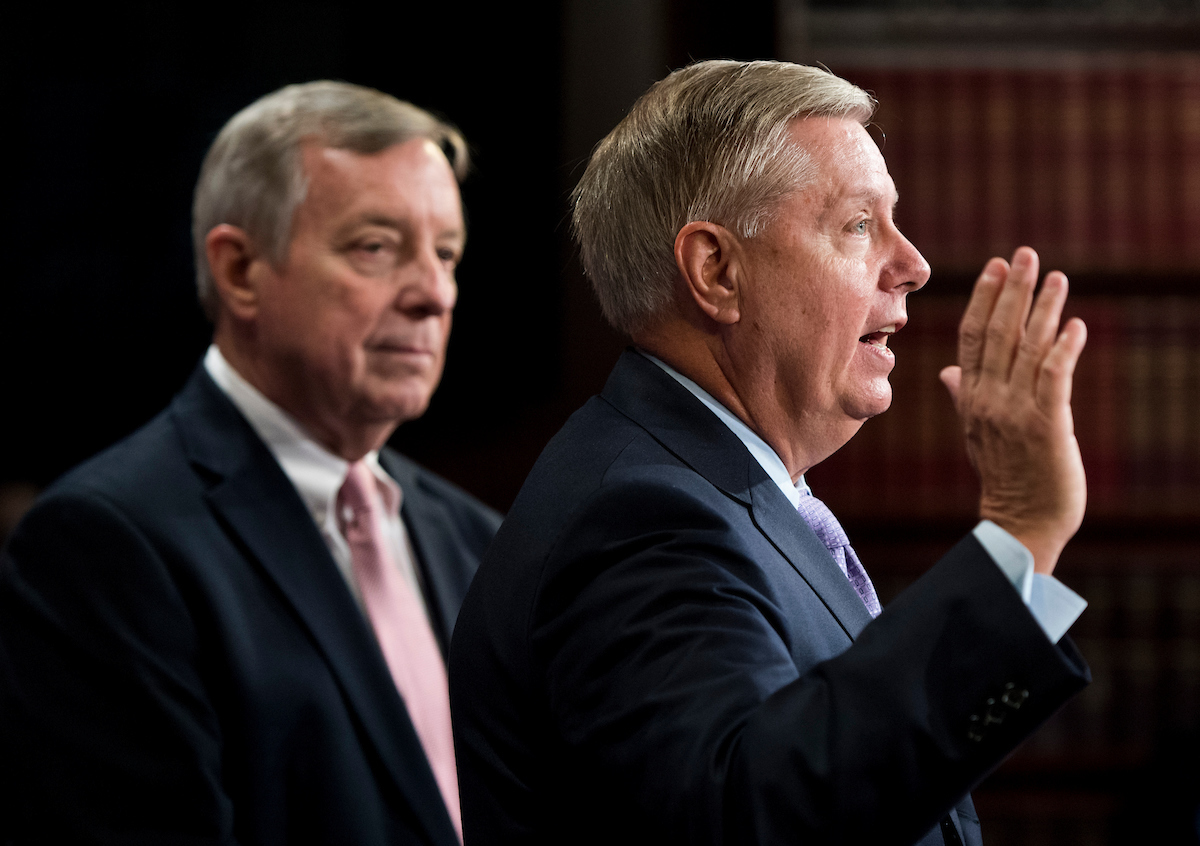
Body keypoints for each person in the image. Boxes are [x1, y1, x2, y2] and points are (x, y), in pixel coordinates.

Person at [449, 60, 1090, 846]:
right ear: (717, 271)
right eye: (859, 225)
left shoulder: (712, 491)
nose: (913, 265)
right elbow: (761, 813)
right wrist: (1021, 529)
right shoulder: (642, 518)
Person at [0, 81, 500, 846]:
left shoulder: (479, 542)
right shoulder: (105, 545)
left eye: (446, 253)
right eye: (376, 247)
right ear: (239, 271)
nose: (434, 294)